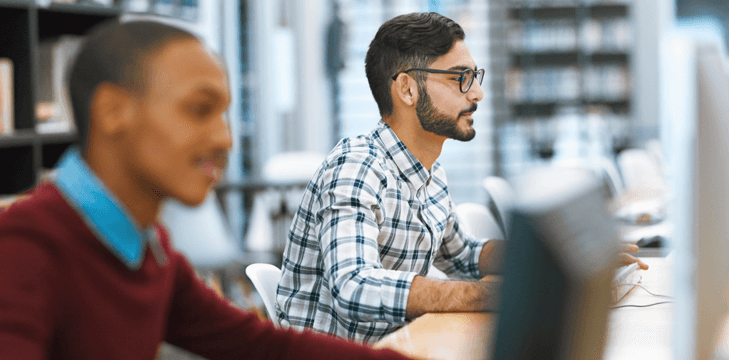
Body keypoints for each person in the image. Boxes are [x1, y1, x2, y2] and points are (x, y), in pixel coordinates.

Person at [0, 20, 414, 360]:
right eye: (200, 110)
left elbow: (257, 345)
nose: (225, 139)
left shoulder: (148, 247)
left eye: (224, 115)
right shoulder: (23, 248)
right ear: (113, 112)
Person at [276, 12, 648, 344]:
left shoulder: (430, 171)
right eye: (461, 79)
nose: (479, 94)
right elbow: (355, 287)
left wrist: (566, 254)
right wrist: (490, 295)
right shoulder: (357, 167)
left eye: (475, 77)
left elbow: (465, 255)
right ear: (407, 88)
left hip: (399, 346)